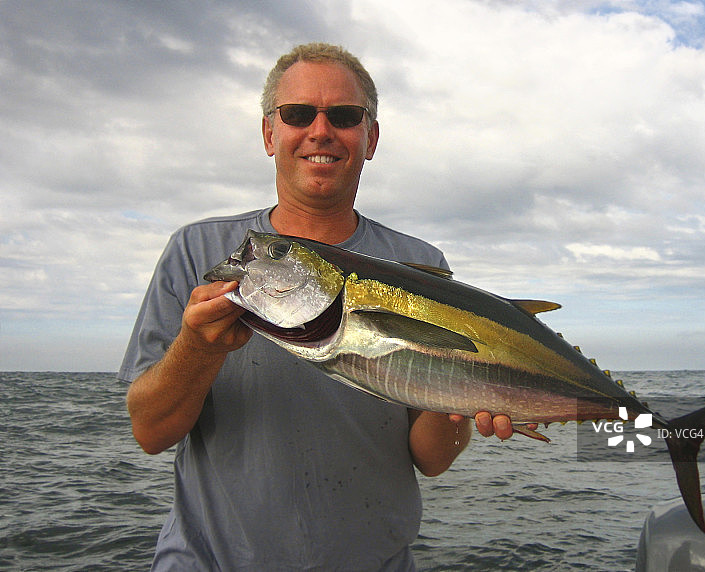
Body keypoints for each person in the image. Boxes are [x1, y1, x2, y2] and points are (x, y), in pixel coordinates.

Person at [120, 42, 512, 571]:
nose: (321, 131)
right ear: (269, 133)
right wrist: (196, 347)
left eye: (345, 116)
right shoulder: (196, 252)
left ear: (370, 138)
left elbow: (434, 458)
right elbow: (150, 432)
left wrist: (459, 397)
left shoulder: (420, 265)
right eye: (299, 114)